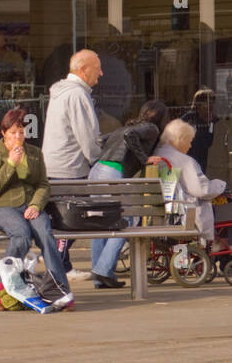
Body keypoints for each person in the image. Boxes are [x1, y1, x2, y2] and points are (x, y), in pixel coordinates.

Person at [0, 105, 72, 304]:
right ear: (3, 133)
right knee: (21, 235)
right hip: (3, 208)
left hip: (30, 206)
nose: (17, 137)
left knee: (46, 235)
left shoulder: (34, 153)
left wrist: (36, 205)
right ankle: (3, 290)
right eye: (13, 133)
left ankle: (59, 290)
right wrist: (11, 163)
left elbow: (43, 184)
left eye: (21, 132)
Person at [86, 100, 167, 289]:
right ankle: (103, 270)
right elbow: (130, 137)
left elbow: (102, 140)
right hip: (112, 171)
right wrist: (145, 159)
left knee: (101, 222)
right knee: (127, 221)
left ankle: (101, 276)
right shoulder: (151, 128)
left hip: (97, 170)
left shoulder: (127, 126)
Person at [42, 49, 103, 280]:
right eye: (97, 68)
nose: (101, 73)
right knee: (78, 218)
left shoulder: (61, 91)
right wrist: (99, 159)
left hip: (55, 165)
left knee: (65, 220)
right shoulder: (77, 95)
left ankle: (61, 265)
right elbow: (87, 138)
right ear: (84, 69)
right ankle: (56, 261)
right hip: (70, 168)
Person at [156, 118, 226, 247]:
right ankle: (218, 247)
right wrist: (221, 184)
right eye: (189, 141)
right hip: (182, 217)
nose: (190, 146)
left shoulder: (157, 155)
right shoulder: (185, 161)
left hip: (157, 216)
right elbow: (201, 190)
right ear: (180, 139)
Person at [180, 88, 219, 172]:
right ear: (198, 104)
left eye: (212, 102)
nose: (210, 105)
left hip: (203, 158)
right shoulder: (189, 118)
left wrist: (210, 123)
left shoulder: (213, 120)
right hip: (189, 157)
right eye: (207, 102)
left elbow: (209, 141)